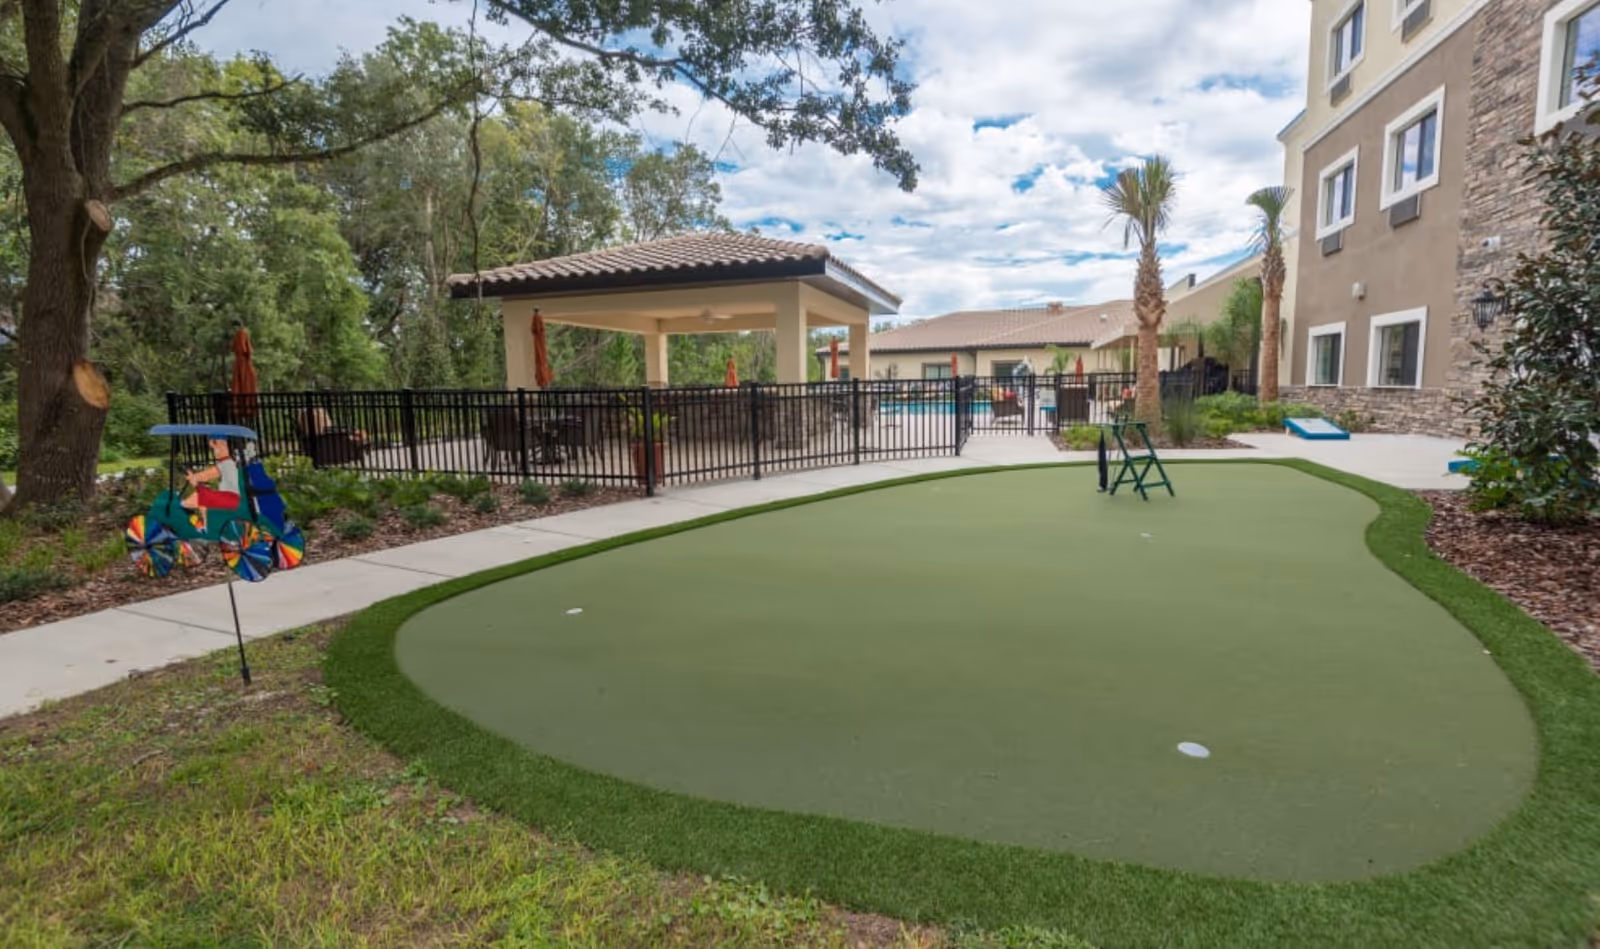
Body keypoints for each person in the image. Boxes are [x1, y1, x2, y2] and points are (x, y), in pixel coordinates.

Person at [181, 436, 241, 529]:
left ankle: (205, 528)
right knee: (202, 502)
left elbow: (208, 474)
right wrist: (195, 477)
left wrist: (194, 477)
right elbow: (209, 475)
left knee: (196, 499)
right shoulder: (229, 462)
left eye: (217, 445)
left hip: (231, 498)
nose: (215, 450)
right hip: (231, 497)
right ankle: (205, 527)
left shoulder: (227, 463)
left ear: (226, 446)